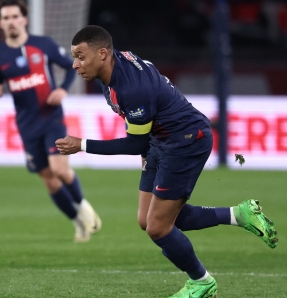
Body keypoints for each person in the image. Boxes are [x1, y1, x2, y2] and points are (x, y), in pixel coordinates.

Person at [56, 25, 278, 297]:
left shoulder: (132, 87)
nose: (75, 64)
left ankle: (202, 282)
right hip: (160, 141)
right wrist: (146, 156)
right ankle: (239, 214)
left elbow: (135, 140)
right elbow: (141, 131)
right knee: (146, 220)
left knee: (158, 228)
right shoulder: (113, 70)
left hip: (186, 140)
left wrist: (82, 145)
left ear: (102, 53)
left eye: (80, 56)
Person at [0, 0, 101, 242]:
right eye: (6, 18)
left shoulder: (43, 45)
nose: (11, 22)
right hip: (27, 125)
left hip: (51, 118)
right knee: (49, 180)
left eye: (14, 17)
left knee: (60, 169)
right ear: (0, 23)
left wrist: (62, 89)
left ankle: (82, 205)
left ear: (24, 19)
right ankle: (77, 222)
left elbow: (72, 66)